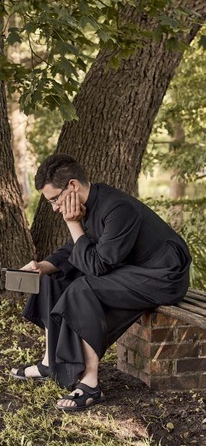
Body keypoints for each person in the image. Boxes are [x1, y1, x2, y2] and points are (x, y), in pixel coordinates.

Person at [10, 153, 191, 412]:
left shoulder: (118, 208)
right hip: (133, 270)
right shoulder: (90, 204)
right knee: (51, 279)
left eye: (54, 200)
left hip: (162, 276)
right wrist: (44, 267)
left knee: (84, 288)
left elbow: (96, 267)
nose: (54, 208)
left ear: (72, 186)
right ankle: (50, 363)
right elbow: (77, 247)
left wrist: (73, 222)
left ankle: (90, 382)